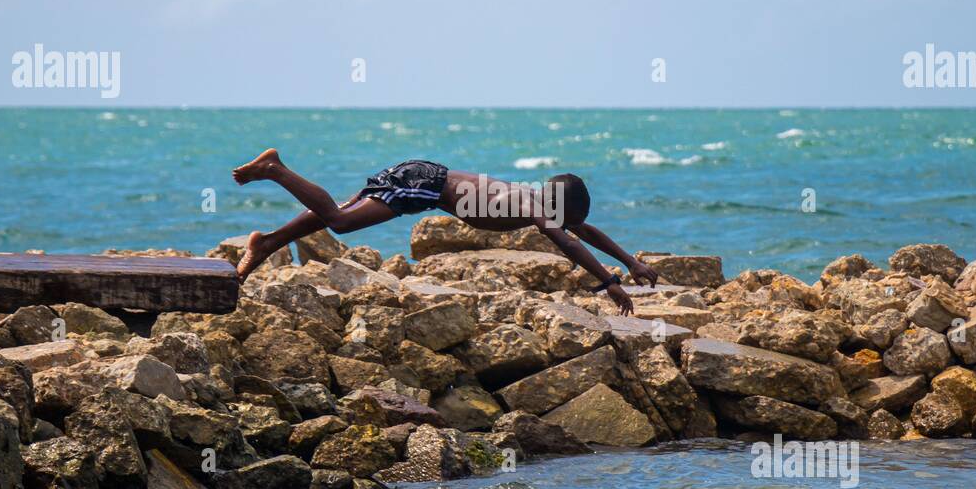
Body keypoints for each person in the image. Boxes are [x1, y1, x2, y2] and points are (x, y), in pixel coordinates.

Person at [229, 149, 658, 314]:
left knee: (343, 212)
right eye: (564, 219)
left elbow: (585, 231)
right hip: (426, 183)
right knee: (341, 221)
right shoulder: (536, 208)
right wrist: (609, 283)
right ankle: (275, 169)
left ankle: (266, 244)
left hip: (424, 179)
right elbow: (568, 241)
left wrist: (630, 261)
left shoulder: (537, 200)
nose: (565, 226)